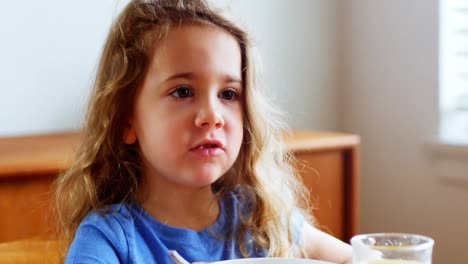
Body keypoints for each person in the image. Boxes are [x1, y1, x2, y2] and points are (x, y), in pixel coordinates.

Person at [53, 0, 353, 263]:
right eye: (183, 91)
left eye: (228, 94)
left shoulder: (260, 218)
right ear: (126, 122)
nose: (212, 116)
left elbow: (353, 259)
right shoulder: (109, 238)